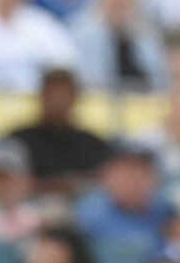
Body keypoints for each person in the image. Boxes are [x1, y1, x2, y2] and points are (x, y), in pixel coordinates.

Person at [10, 68, 111, 196]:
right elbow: (8, 184)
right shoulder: (19, 141)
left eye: (63, 94)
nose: (58, 101)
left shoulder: (93, 144)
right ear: (42, 96)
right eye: (53, 94)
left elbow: (107, 179)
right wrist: (65, 185)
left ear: (75, 97)